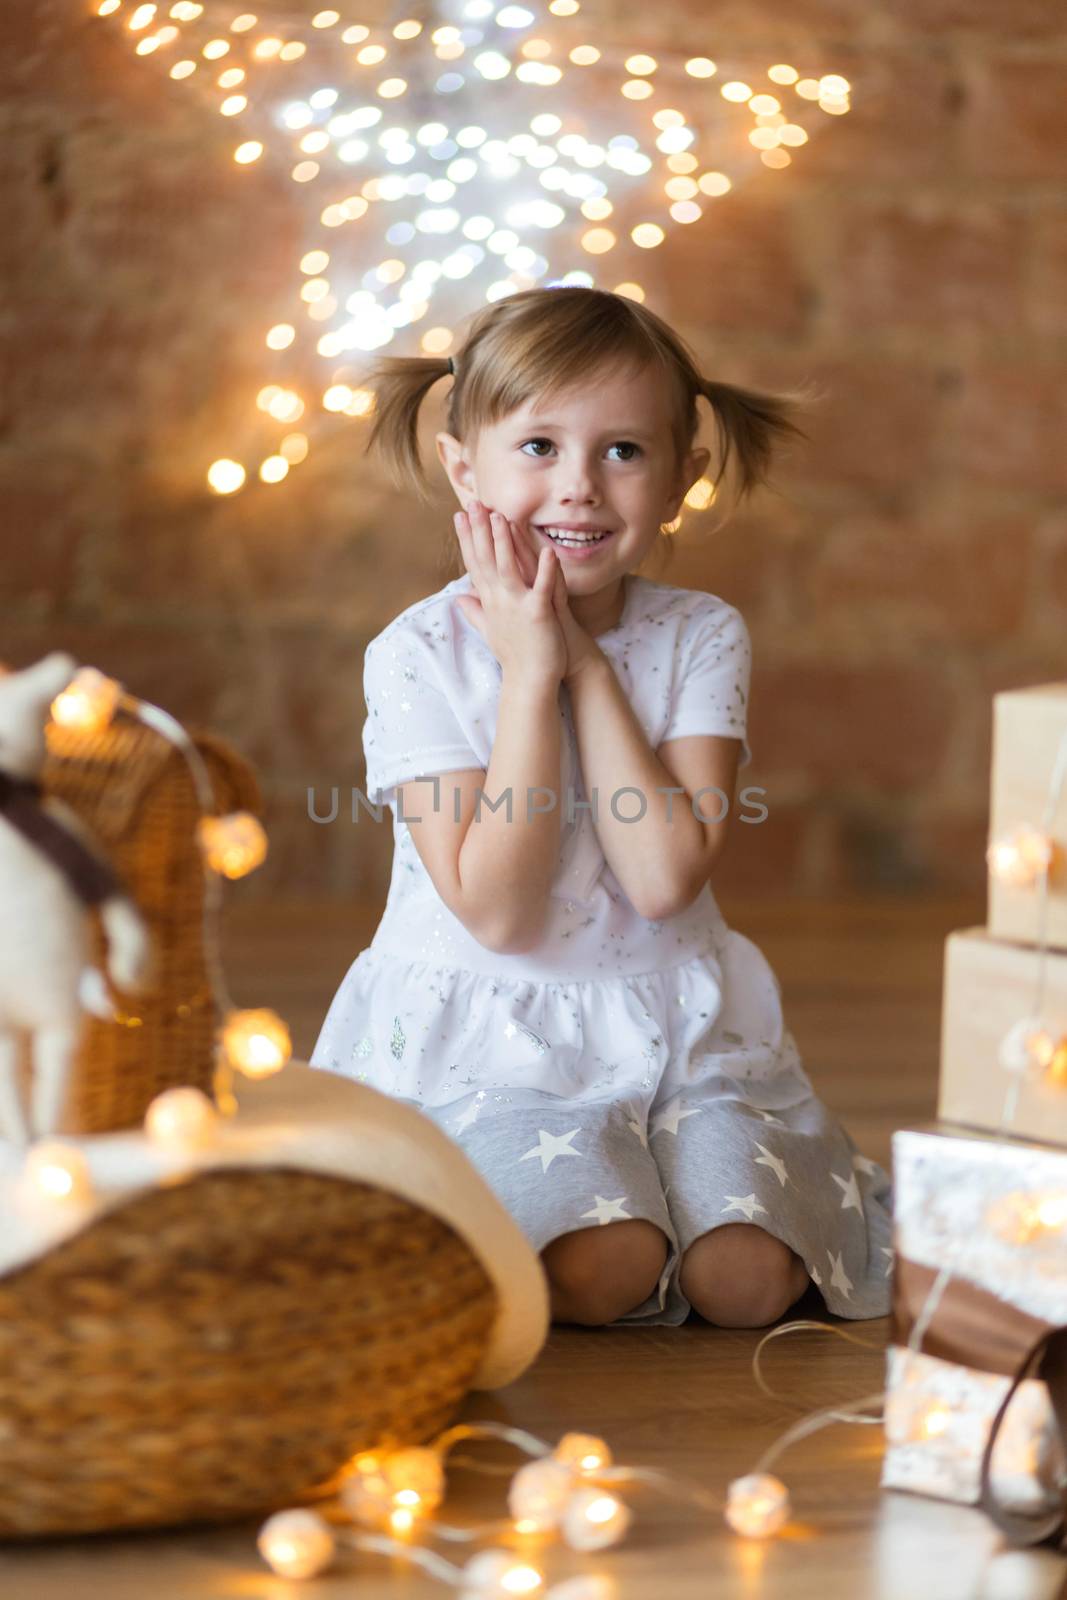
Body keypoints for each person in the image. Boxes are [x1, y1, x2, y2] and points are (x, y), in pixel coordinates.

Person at [310, 285, 893, 1329]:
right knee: (604, 1265)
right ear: (462, 466)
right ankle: (596, 1206)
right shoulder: (417, 656)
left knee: (745, 1284)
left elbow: (665, 879)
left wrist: (581, 665)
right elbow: (498, 912)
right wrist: (528, 674)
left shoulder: (698, 634)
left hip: (677, 1027)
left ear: (681, 479)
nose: (578, 488)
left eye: (622, 451)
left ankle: (700, 1187)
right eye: (537, 445)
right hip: (490, 1041)